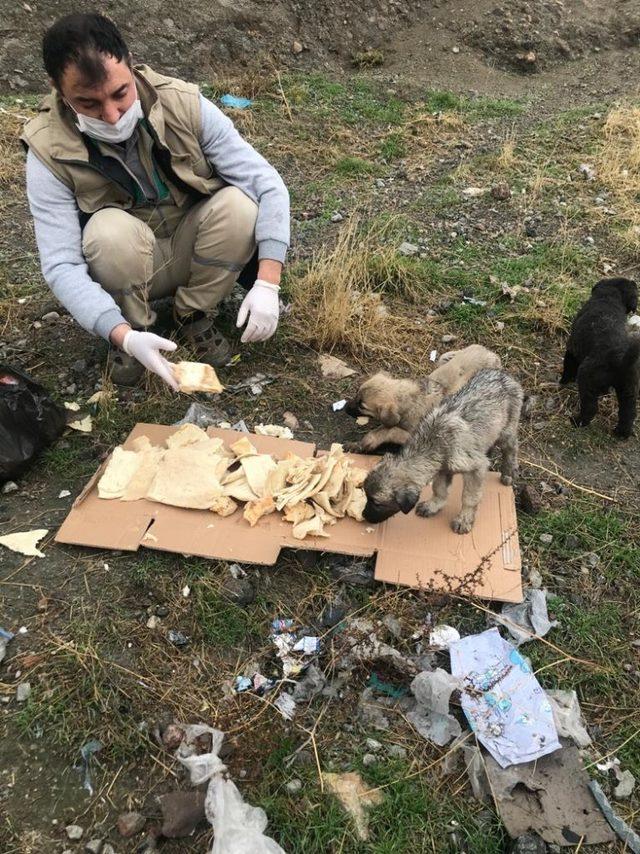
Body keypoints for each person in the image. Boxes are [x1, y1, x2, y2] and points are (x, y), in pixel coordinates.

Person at [22, 13, 290, 390]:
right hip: (125, 265)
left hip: (191, 247)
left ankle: (192, 314)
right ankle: (135, 330)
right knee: (106, 232)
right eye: (89, 103)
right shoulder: (46, 150)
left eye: (120, 93)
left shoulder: (183, 103)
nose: (112, 116)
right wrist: (120, 333)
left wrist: (268, 282)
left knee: (241, 206)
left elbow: (267, 184)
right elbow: (61, 263)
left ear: (130, 64)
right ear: (57, 89)